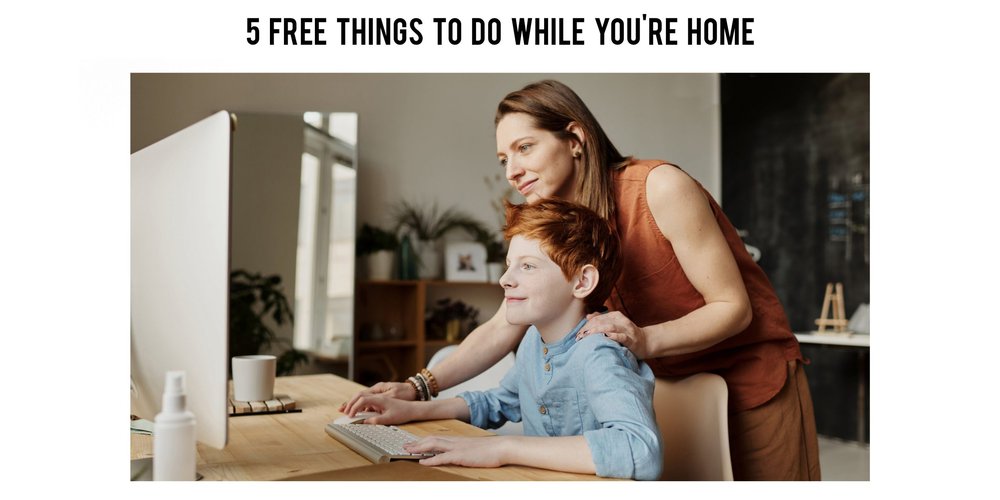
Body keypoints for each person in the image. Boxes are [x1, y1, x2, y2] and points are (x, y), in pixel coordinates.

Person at [343, 79, 821, 480]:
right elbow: (503, 324)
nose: (513, 170)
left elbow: (733, 308)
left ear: (575, 138)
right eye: (503, 159)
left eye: (524, 147)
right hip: (665, 384)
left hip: (751, 380)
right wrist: (418, 387)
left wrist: (644, 339)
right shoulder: (553, 218)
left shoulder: (660, 187)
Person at [345, 199, 662, 480]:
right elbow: (500, 402)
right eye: (510, 264)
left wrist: (504, 448)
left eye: (527, 266)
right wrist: (412, 409)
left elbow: (641, 449)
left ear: (582, 281)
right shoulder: (533, 342)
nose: (505, 279)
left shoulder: (599, 351)